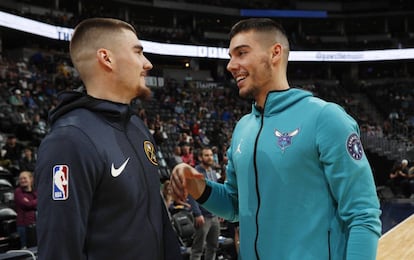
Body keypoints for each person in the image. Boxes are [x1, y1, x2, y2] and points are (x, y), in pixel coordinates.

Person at [170, 18, 381, 260]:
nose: (230, 65)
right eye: (230, 55)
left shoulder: (325, 118)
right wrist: (197, 186)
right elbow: (236, 206)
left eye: (241, 53)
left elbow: (363, 213)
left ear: (275, 53)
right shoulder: (242, 128)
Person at [35, 18, 181, 260]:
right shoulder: (68, 141)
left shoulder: (136, 126)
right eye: (138, 52)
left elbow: (156, 217)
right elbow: (58, 250)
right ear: (107, 58)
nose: (147, 63)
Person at [187, 147, 220, 260]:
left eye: (211, 155)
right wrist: (197, 214)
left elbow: (216, 194)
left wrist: (220, 211)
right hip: (203, 216)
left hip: (214, 216)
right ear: (200, 157)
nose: (209, 157)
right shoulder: (195, 172)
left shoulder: (213, 172)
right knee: (198, 249)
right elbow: (191, 194)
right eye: (206, 155)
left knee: (213, 247)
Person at [14, 171, 37, 249]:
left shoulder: (35, 191)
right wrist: (37, 201)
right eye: (20, 179)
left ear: (31, 179)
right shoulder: (18, 192)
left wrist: (32, 203)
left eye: (24, 178)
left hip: (36, 224)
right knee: (26, 249)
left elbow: (42, 203)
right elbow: (27, 205)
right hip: (23, 226)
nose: (22, 180)